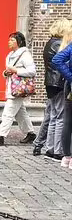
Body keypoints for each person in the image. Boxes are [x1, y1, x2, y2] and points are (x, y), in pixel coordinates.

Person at [0, 32, 36, 146]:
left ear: (19, 42)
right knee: (20, 113)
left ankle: (0, 136)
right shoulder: (10, 55)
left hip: (19, 88)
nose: (9, 42)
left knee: (8, 112)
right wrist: (6, 72)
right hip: (12, 87)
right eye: (9, 40)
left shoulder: (25, 55)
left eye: (12, 40)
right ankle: (30, 133)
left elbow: (32, 71)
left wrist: (16, 70)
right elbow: (8, 71)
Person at [33, 19, 70, 159]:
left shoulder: (49, 42)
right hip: (59, 83)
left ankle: (50, 148)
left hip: (50, 83)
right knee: (60, 117)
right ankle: (57, 150)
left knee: (54, 116)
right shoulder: (59, 43)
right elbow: (63, 62)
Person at [51, 27, 72, 169]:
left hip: (69, 87)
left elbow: (57, 59)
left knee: (68, 121)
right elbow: (57, 59)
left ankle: (66, 157)